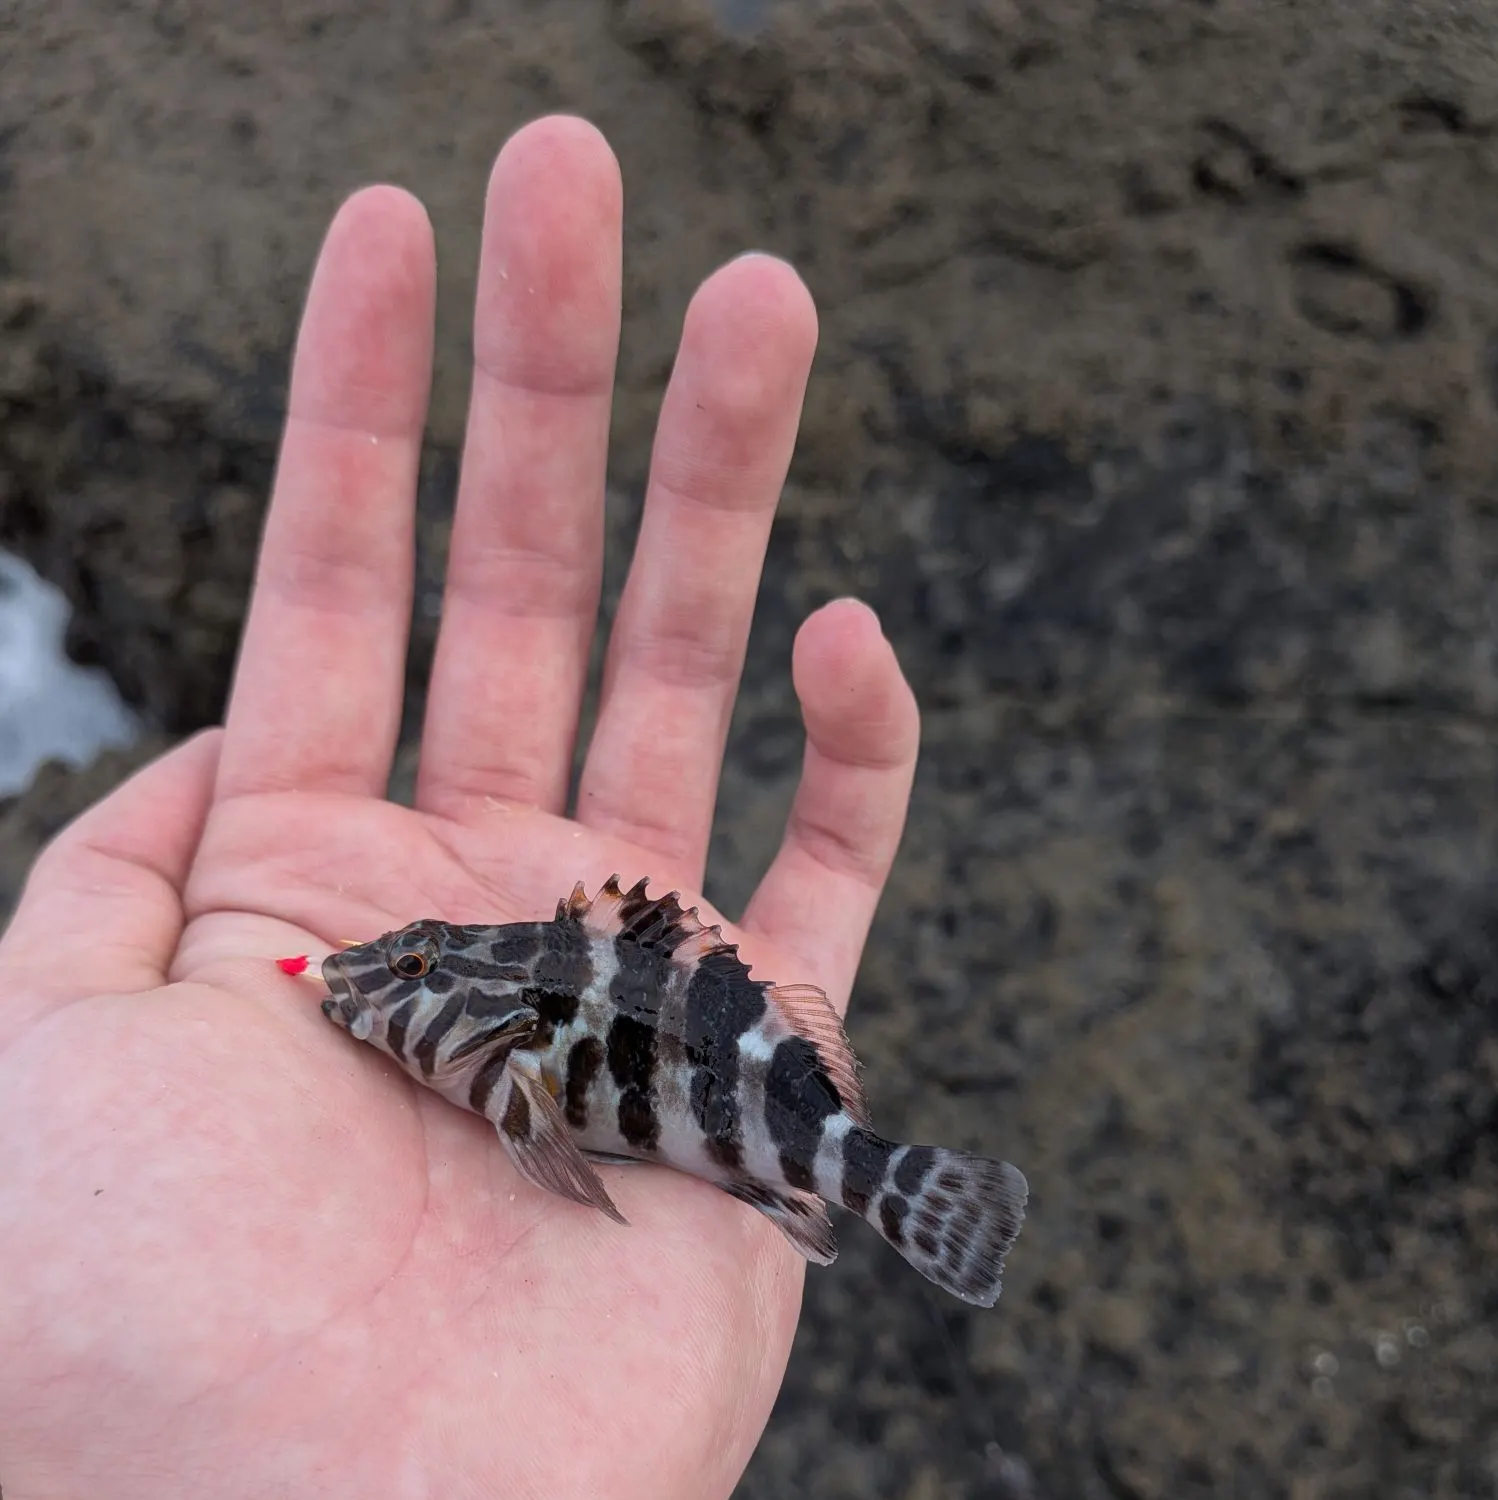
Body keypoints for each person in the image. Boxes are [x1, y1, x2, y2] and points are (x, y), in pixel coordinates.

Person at [0, 116, 920, 1497]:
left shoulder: (517, 1064)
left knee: (791, 1141)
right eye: (404, 963)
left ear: (484, 1015)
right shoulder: (478, 1047)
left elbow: (545, 1119)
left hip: (719, 1094)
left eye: (416, 968)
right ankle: (869, 1172)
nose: (370, 981)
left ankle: (879, 1175)